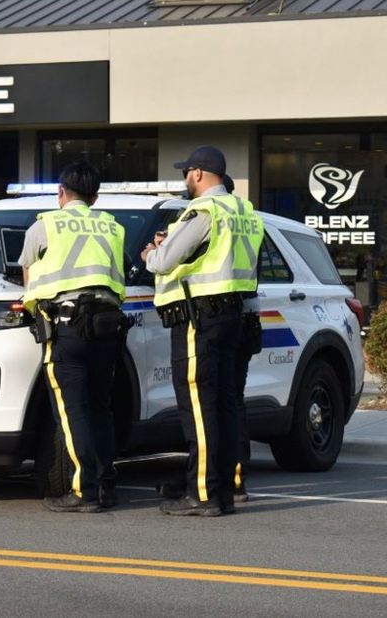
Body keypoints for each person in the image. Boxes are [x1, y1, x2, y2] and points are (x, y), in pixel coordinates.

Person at [141, 146, 264, 516]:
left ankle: (203, 494)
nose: (185, 179)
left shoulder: (204, 210)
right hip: (232, 315)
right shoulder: (244, 211)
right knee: (224, 406)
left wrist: (150, 253)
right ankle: (222, 490)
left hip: (200, 320)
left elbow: (164, 261)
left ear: (197, 173)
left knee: (199, 407)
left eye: (186, 173)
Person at [19, 159, 128, 513]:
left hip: (68, 327)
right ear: (95, 198)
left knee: (73, 412)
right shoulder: (113, 227)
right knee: (100, 409)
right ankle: (106, 485)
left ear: (61, 192)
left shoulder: (45, 225)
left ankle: (85, 491)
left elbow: (28, 275)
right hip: (107, 327)